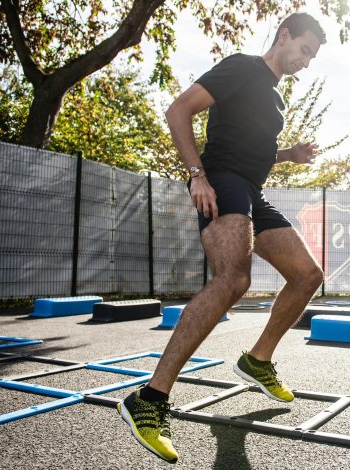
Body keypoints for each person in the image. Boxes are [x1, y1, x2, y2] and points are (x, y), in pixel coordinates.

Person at [117, 12, 327, 462]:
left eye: (313, 56)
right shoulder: (242, 66)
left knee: (308, 275)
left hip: (251, 190)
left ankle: (257, 360)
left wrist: (290, 155)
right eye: (305, 50)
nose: (307, 62)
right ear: (284, 36)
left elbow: (254, 151)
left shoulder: (275, 98)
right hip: (222, 181)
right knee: (233, 279)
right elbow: (178, 110)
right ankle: (149, 399)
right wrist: (197, 175)